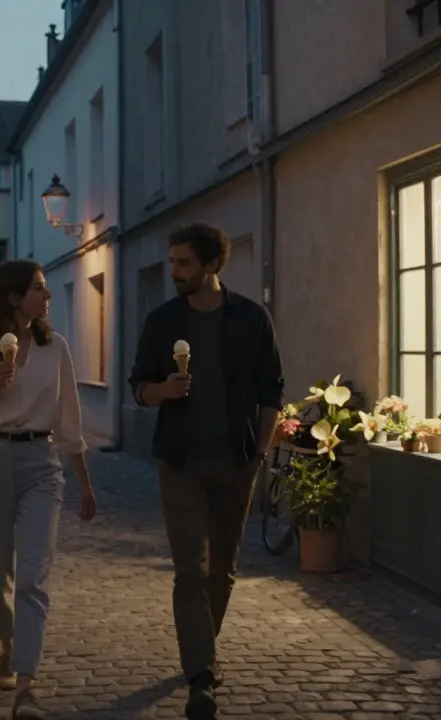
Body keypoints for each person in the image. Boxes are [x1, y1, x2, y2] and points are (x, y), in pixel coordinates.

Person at [127, 222, 284, 720]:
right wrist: (161, 392)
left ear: (212, 265)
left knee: (222, 571)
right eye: (172, 262)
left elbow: (270, 390)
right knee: (190, 570)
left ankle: (201, 649)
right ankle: (201, 676)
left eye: (184, 263)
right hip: (181, 462)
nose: (175, 272)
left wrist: (260, 450)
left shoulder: (251, 318)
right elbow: (138, 386)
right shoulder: (162, 320)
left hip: (237, 461)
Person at [0, 259, 98, 719]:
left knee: (33, 575)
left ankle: (26, 687)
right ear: (14, 297)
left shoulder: (56, 348)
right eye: (38, 288)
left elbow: (70, 419)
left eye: (47, 289)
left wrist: (85, 486)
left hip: (41, 464)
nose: (47, 296)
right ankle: (8, 643)